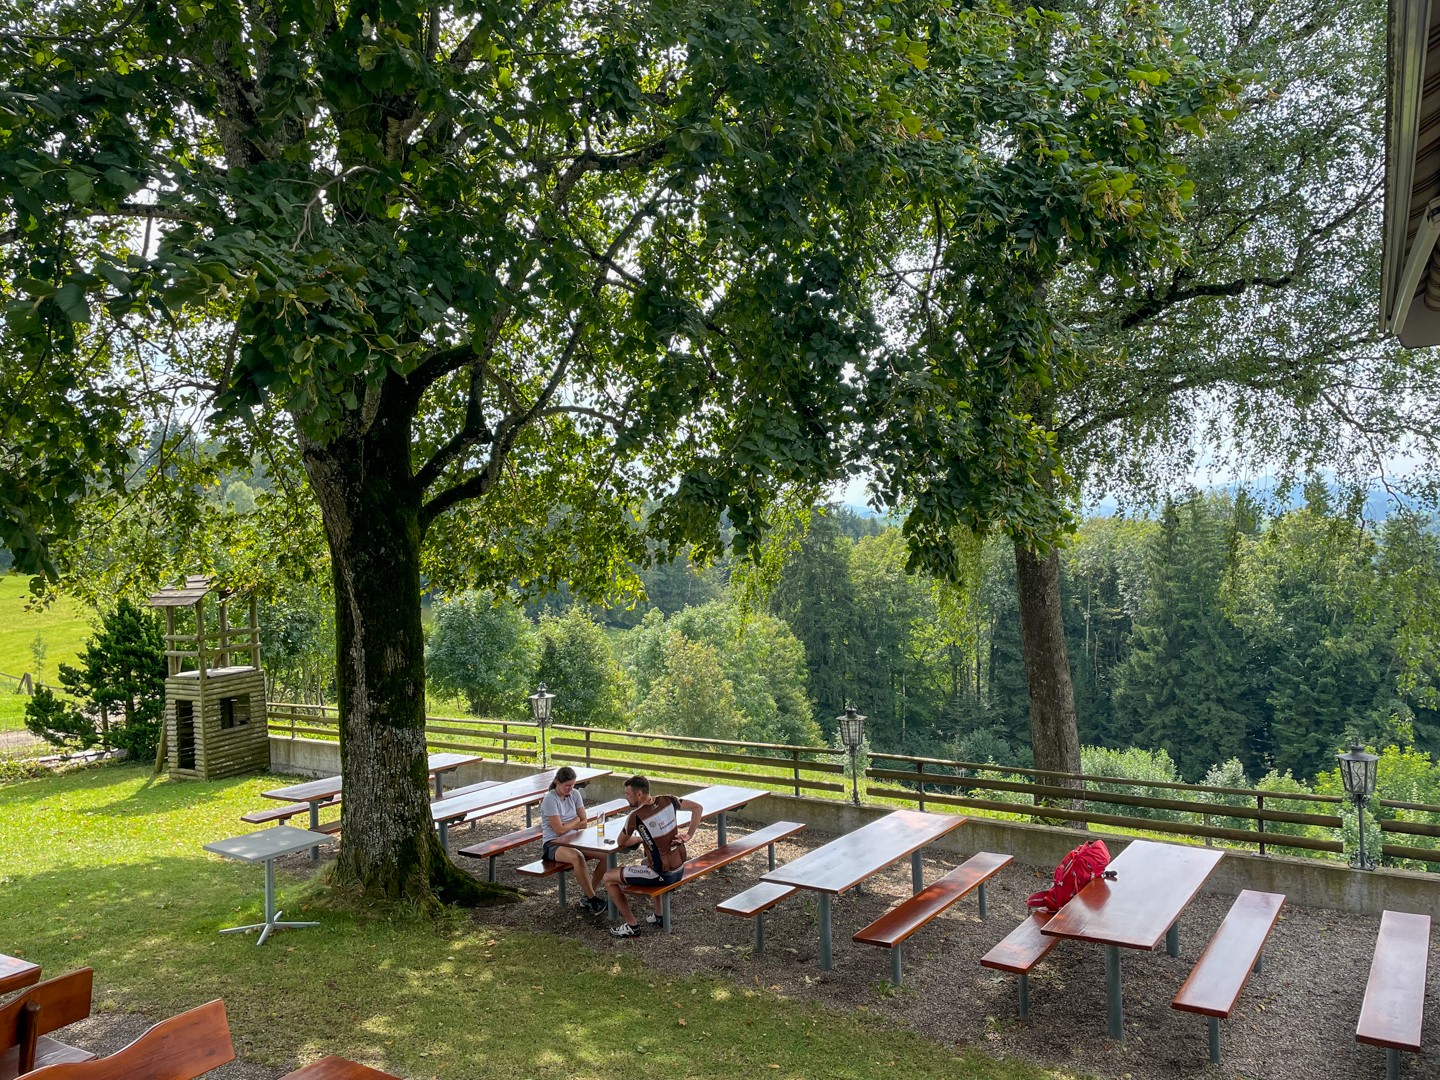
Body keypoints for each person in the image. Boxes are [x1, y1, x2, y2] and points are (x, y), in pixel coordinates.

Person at [603, 775, 701, 937]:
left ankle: (632, 926)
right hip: (679, 869)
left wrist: (641, 838)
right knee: (644, 862)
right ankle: (659, 915)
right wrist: (689, 835)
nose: (626, 797)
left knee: (608, 877)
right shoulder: (669, 799)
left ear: (639, 794)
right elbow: (698, 808)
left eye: (628, 794)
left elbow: (622, 842)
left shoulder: (635, 816)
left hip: (662, 874)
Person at [540, 766, 606, 914]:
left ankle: (589, 894)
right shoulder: (550, 800)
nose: (570, 789)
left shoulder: (575, 794)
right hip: (553, 844)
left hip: (574, 839)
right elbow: (559, 831)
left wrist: (570, 823)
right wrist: (575, 820)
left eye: (572, 785)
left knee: (606, 855)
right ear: (557, 782)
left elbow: (585, 821)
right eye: (567, 786)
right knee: (578, 857)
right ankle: (593, 899)